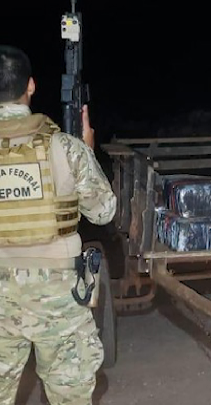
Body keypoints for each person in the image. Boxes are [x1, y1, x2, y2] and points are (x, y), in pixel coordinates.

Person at [0, 45, 116, 404]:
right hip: (59, 299)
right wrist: (88, 151)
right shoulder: (65, 148)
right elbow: (103, 211)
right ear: (31, 86)